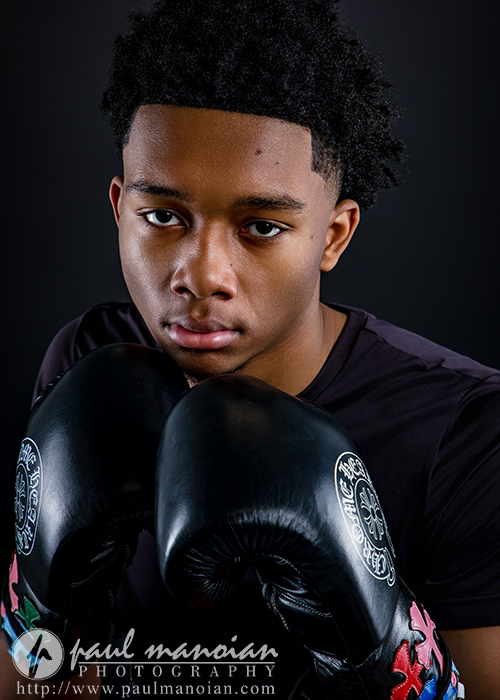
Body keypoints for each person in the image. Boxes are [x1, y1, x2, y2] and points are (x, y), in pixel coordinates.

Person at [1, 0, 499, 698]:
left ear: (332, 236)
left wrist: (379, 640)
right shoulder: (90, 359)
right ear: (120, 209)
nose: (202, 275)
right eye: (163, 216)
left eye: (261, 226)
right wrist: (47, 601)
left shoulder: (467, 431)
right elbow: (37, 680)